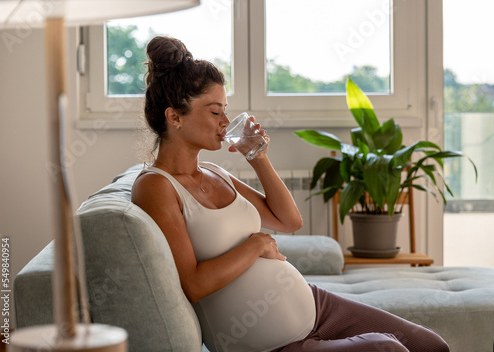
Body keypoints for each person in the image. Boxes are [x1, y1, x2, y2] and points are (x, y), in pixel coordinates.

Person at [131, 36, 449, 352]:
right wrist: (257, 244)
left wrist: (258, 157)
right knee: (386, 349)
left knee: (429, 344)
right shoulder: (155, 187)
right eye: (215, 112)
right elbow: (194, 285)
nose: (225, 123)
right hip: (269, 342)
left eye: (226, 111)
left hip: (314, 306)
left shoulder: (215, 173)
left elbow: (289, 221)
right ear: (174, 117)